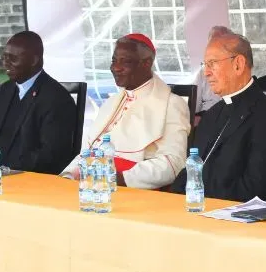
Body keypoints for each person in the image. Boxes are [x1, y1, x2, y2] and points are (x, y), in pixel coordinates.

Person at [169, 33, 266, 204]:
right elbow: (190, 171)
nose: (206, 73)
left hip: (239, 219)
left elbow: (257, 188)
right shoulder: (212, 114)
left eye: (212, 64)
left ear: (238, 64)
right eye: (205, 65)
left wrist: (201, 198)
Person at [61, 34, 190, 189]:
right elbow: (88, 151)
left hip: (131, 190)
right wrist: (67, 176)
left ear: (146, 63)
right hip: (92, 184)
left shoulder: (171, 104)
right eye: (114, 60)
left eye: (125, 61)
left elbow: (173, 162)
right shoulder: (111, 102)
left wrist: (122, 179)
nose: (116, 67)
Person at [0, 31, 75, 174]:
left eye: (13, 58)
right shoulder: (3, 91)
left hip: (30, 179)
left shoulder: (57, 98)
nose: (6, 63)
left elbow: (51, 154)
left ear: (34, 60)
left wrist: (8, 170)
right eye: (4, 57)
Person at [193, 26, 231, 114]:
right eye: (212, 44)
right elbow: (194, 106)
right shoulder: (202, 72)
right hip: (205, 116)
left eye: (220, 43)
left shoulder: (235, 69)